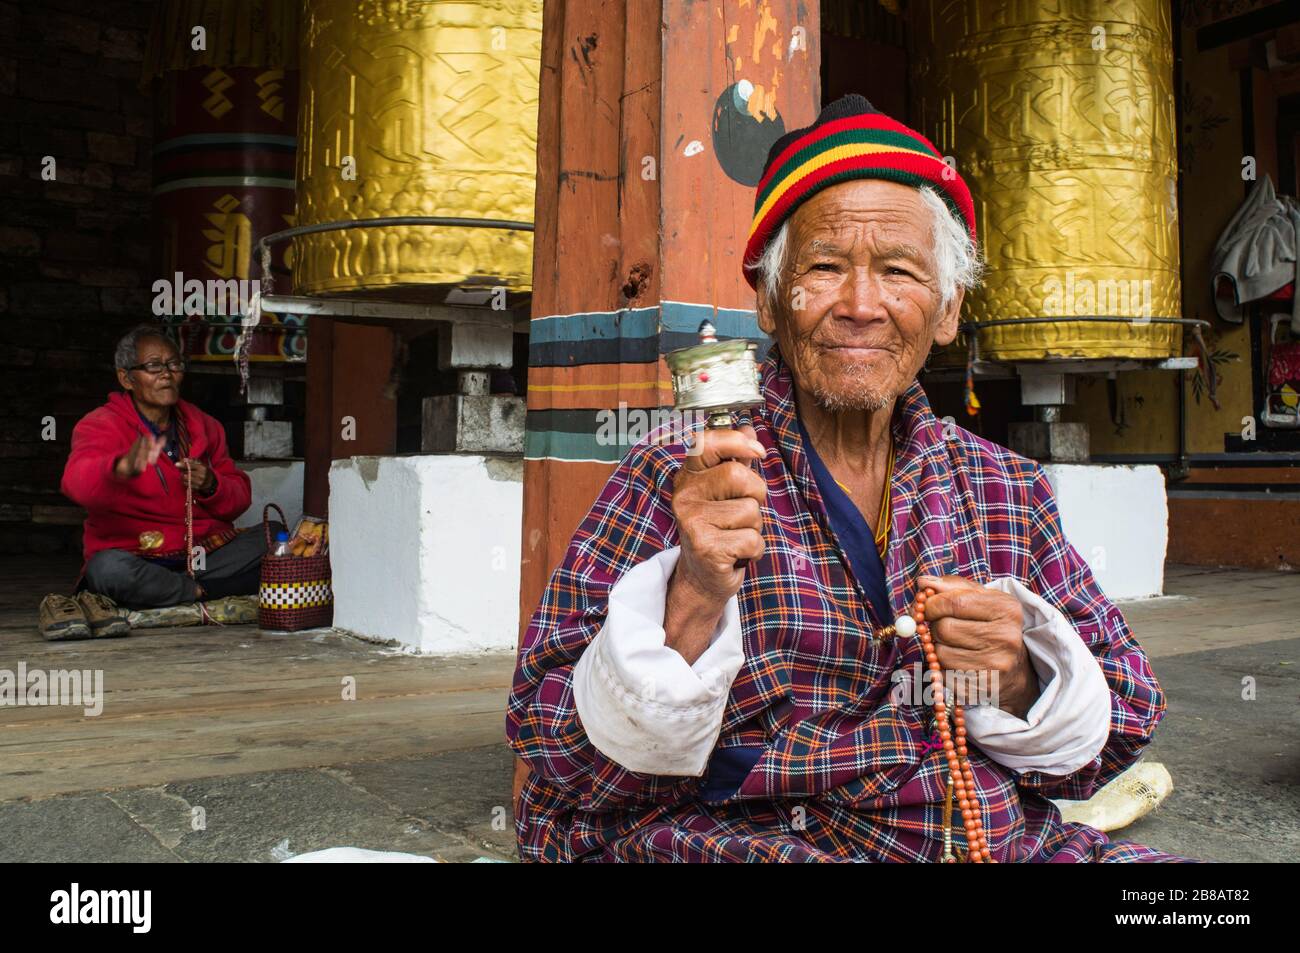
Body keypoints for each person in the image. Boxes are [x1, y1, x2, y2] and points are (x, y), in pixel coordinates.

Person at [506, 95, 1185, 862]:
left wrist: (1022, 677)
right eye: (825, 268)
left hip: (985, 843)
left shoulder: (1003, 487)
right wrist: (691, 597)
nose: (861, 306)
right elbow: (551, 748)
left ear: (949, 306)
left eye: (899, 271)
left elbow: (1125, 719)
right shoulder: (679, 467)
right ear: (769, 299)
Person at [39, 324, 267, 640]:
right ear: (126, 378)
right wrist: (118, 468)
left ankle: (191, 590)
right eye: (153, 366)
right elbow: (75, 483)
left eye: (174, 364)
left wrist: (212, 484)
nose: (167, 374)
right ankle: (210, 591)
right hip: (136, 557)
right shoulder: (102, 424)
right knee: (107, 570)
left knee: (279, 538)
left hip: (201, 555)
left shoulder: (204, 426)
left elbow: (239, 498)